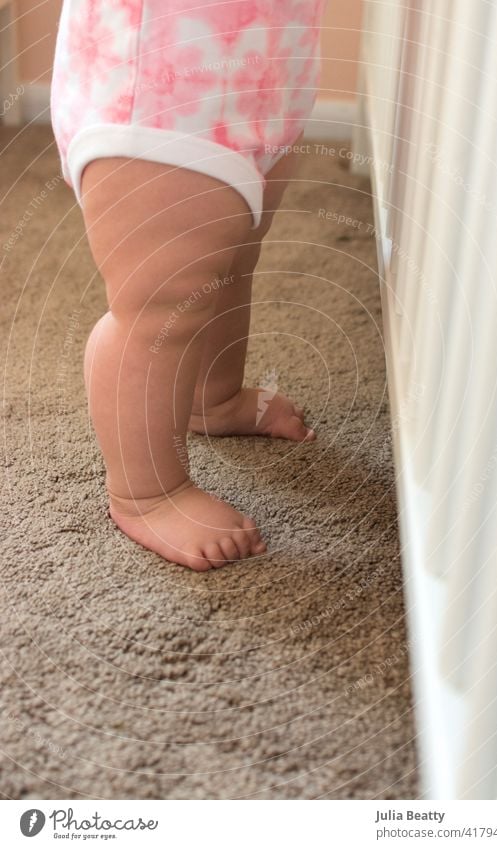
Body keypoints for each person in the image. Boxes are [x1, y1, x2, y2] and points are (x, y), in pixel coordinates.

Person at [51, 0, 325, 570]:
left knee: (227, 261)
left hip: (263, 67)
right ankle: (148, 493)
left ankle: (212, 398)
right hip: (161, 82)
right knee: (160, 303)